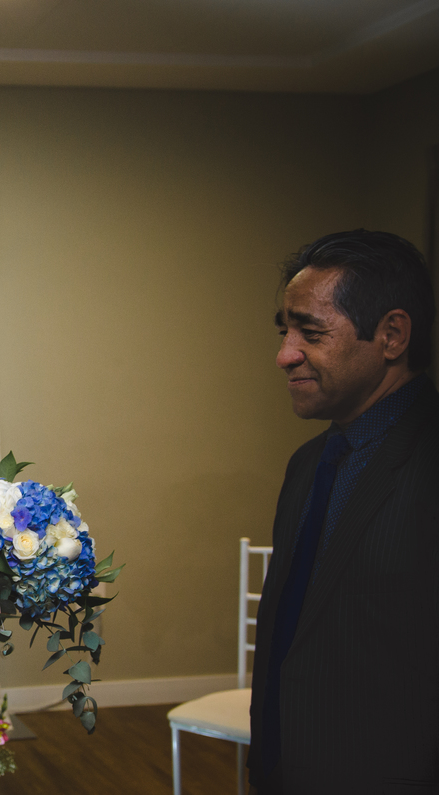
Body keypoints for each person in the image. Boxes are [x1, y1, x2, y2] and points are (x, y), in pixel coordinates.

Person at [249, 230, 438, 794]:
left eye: (311, 333)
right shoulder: (308, 463)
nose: (285, 355)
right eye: (285, 332)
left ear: (392, 335)